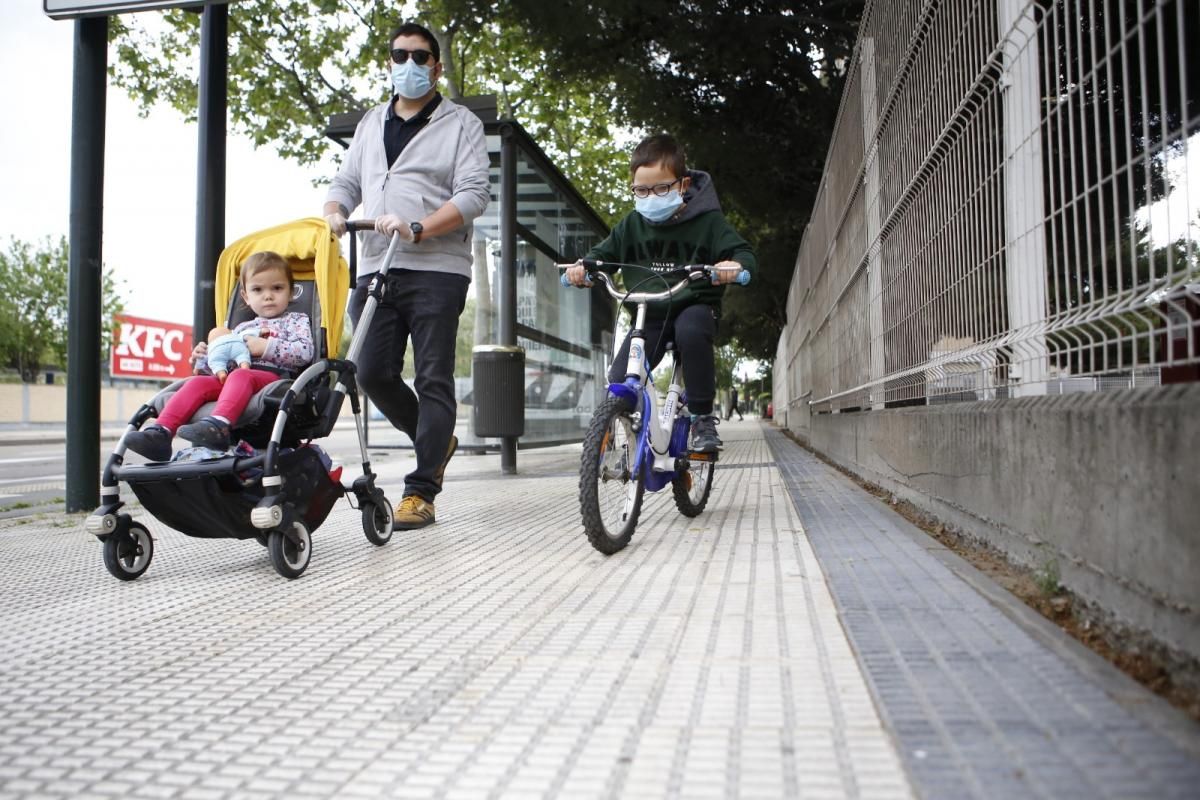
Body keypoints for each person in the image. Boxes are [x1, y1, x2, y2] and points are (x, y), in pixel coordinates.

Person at [322, 21, 490, 530]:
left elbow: (473, 194)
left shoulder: (461, 123)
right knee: (370, 372)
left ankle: (420, 493)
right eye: (401, 56)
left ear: (436, 67)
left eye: (421, 57)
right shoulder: (372, 122)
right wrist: (334, 209)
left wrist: (420, 227)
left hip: (436, 268)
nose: (410, 65)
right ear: (390, 63)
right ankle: (436, 440)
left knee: (434, 376)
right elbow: (348, 180)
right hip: (376, 263)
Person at [566, 134, 756, 453]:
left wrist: (733, 266)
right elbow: (603, 255)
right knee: (621, 376)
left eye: (661, 188)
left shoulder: (707, 222)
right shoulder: (631, 225)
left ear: (681, 186)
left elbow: (742, 251)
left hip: (692, 304)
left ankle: (701, 418)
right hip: (649, 312)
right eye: (641, 190)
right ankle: (637, 432)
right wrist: (582, 269)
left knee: (692, 332)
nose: (650, 197)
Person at [124, 251, 314, 461]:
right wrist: (203, 358)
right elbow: (222, 360)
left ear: (291, 292)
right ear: (246, 296)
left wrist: (266, 346)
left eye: (277, 288)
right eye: (258, 289)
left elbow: (305, 352)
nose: (268, 295)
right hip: (233, 377)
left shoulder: (296, 320)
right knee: (199, 382)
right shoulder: (240, 328)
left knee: (241, 376)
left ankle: (219, 426)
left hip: (272, 378)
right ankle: (161, 432)